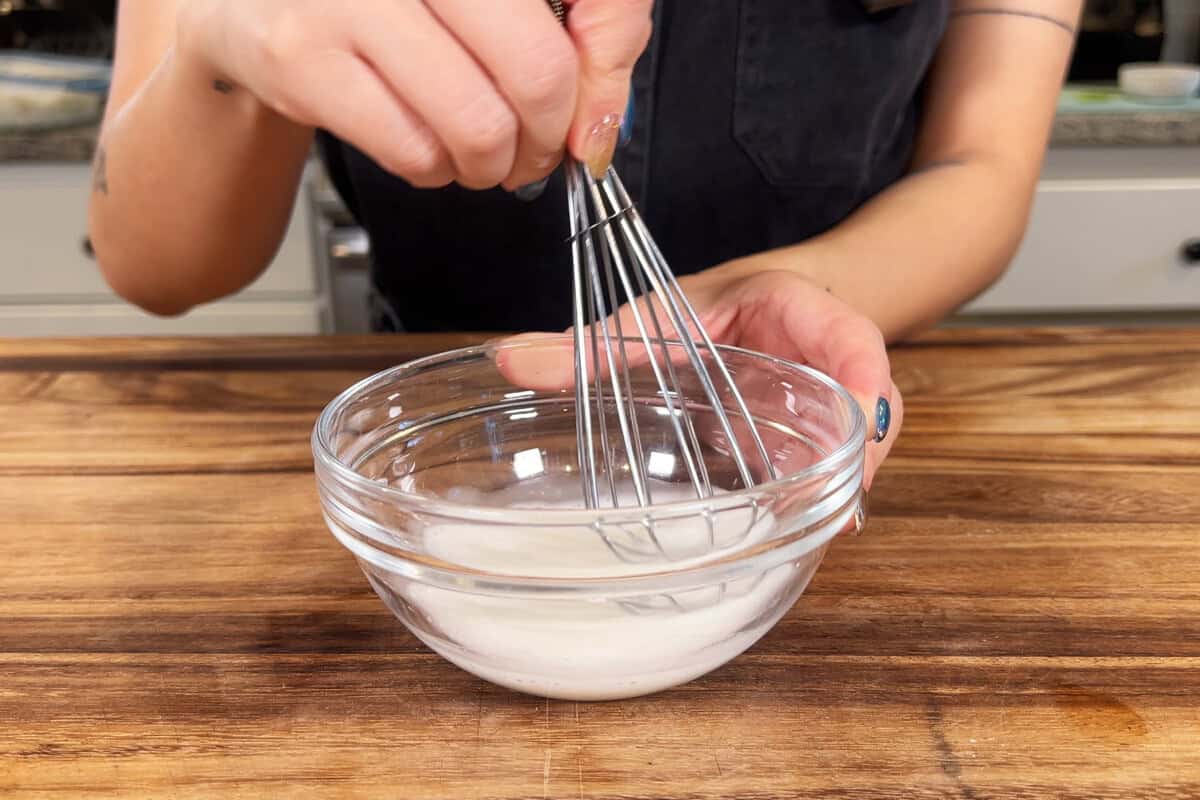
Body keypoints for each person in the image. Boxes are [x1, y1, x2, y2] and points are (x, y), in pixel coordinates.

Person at [87, 0, 1084, 487]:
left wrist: (773, 289)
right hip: (442, 456)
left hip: (779, 428)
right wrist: (225, 49)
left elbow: (982, 167)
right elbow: (156, 261)